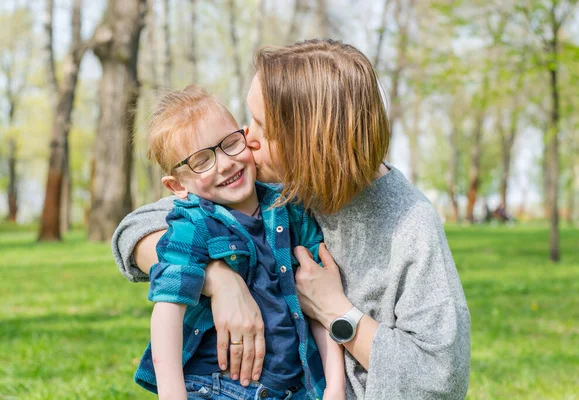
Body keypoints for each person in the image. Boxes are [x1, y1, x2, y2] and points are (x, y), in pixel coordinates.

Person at [113, 39, 471, 399]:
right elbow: (135, 229)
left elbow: (440, 381)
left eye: (261, 127)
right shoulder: (272, 187)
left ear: (310, 142)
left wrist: (336, 311)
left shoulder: (409, 224)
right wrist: (218, 280)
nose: (245, 139)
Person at [133, 85, 345, 400]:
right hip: (217, 387)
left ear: (245, 136)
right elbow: (168, 311)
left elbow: (319, 309)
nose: (225, 163)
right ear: (177, 185)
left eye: (230, 143)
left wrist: (335, 388)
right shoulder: (193, 225)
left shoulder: (290, 210)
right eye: (202, 160)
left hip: (294, 389)